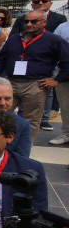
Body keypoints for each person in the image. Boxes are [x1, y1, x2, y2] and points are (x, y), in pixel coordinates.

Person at [0, 9, 69, 139]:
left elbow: (67, 60)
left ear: (44, 22)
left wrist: (57, 80)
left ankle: (24, 147)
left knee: (31, 119)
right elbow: (1, 58)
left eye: (34, 21)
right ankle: (1, 144)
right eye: (26, 21)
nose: (29, 24)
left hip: (36, 84)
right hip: (11, 82)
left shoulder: (53, 40)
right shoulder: (14, 39)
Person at [50, 14, 69, 145]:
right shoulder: (63, 27)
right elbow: (52, 46)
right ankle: (66, 133)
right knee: (66, 106)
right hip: (64, 72)